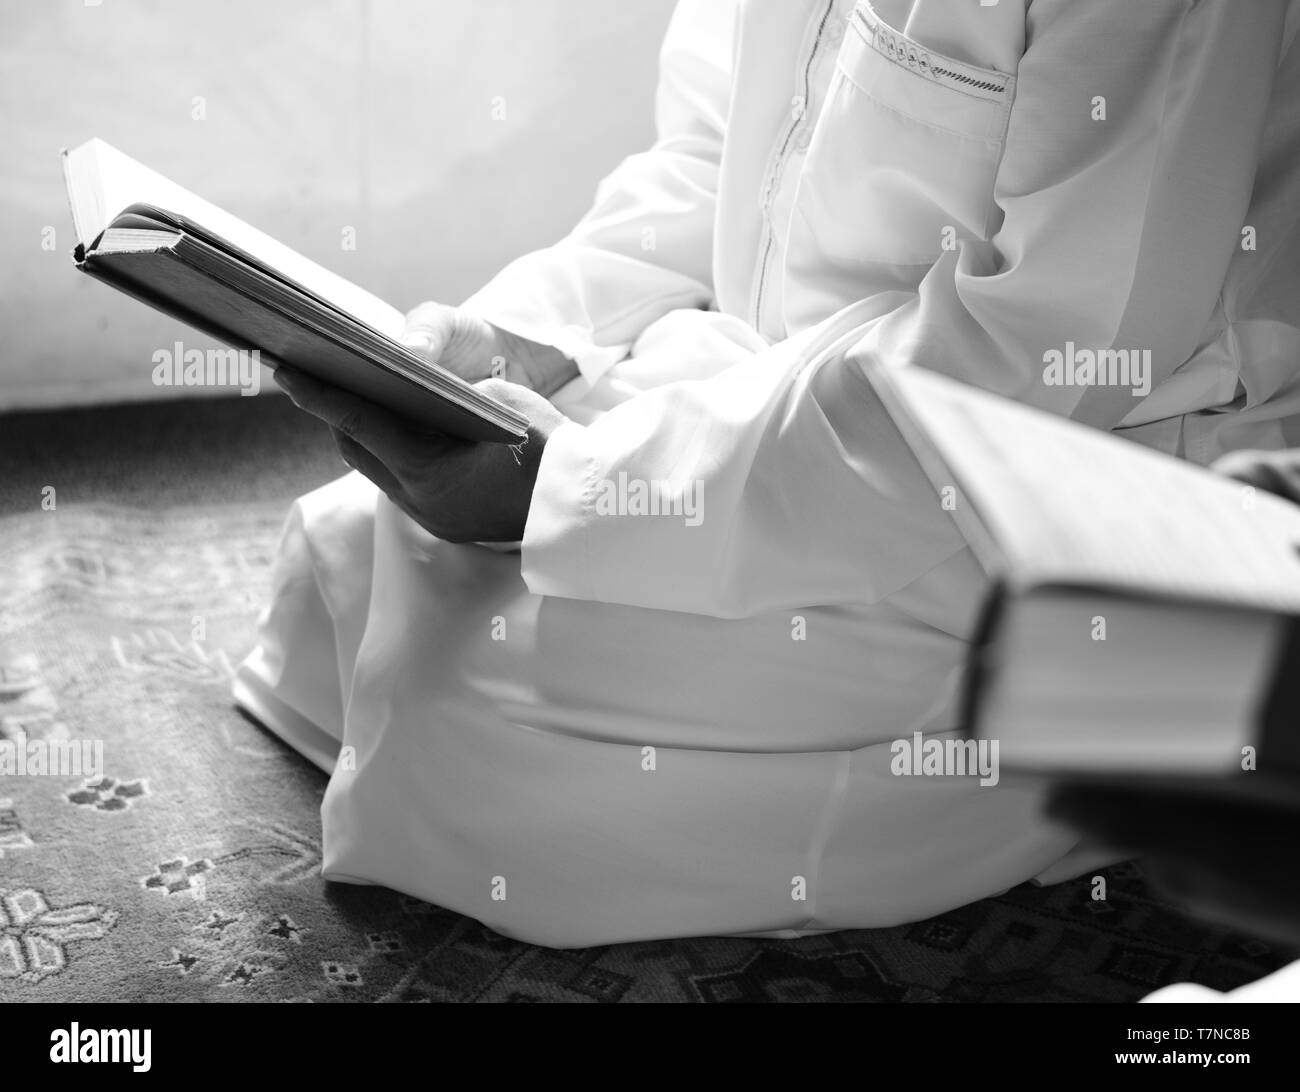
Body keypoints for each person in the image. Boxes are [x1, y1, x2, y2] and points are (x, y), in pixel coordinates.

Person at [237, 0, 1300, 947]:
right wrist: (533, 335)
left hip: (1061, 471)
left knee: (482, 720)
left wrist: (581, 489)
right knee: (347, 555)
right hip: (775, 384)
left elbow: (1037, 360)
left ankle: (1119, 743)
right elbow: (711, 149)